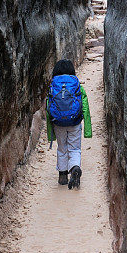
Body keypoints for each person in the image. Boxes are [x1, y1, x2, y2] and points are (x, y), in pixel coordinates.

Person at [46, 59, 92, 189]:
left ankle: (62, 176)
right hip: (75, 122)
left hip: (58, 123)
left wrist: (51, 133)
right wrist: (88, 130)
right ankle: (75, 168)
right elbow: (85, 108)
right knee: (75, 148)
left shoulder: (53, 86)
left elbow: (48, 108)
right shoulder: (78, 86)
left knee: (62, 148)